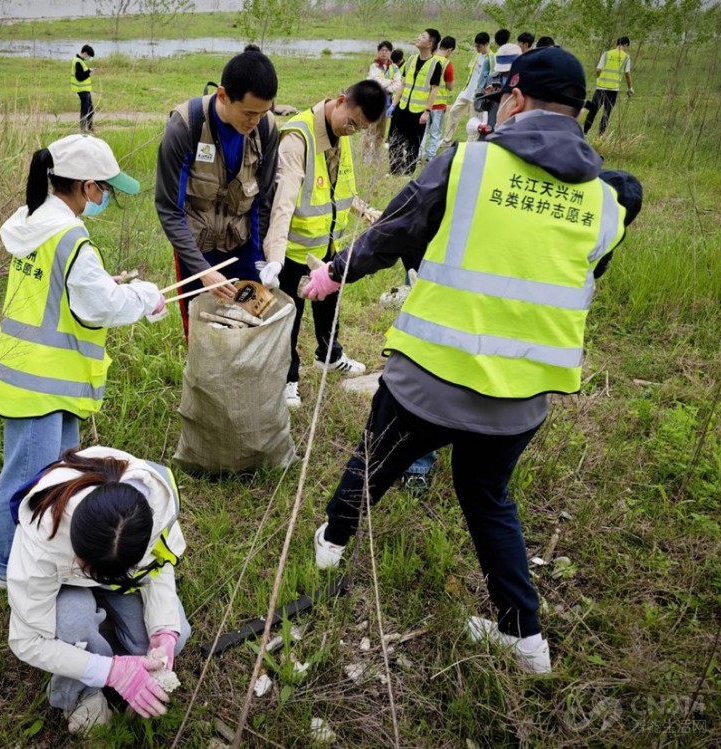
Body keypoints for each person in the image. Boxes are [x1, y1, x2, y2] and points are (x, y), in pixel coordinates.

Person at [302, 47, 641, 674]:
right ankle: (526, 641)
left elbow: (394, 232)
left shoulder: (468, 162)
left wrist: (334, 273)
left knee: (375, 462)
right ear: (578, 112)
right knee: (487, 499)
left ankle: (329, 546)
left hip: (428, 381)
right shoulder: (603, 204)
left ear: (512, 99)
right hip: (518, 402)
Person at [0, 135, 165, 589]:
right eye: (105, 189)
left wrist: (106, 283)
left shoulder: (34, 221)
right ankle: (6, 570)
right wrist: (143, 296)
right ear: (86, 186)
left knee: (60, 472)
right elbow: (98, 305)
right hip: (42, 381)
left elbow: (66, 291)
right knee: (29, 481)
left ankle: (43, 553)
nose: (106, 199)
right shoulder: (70, 234)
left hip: (36, 376)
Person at [7, 447, 190, 734]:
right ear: (78, 555)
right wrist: (109, 672)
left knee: (175, 638)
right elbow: (27, 641)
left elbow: (160, 565)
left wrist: (163, 632)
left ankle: (116, 657)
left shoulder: (155, 506)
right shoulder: (42, 533)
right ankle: (81, 693)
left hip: (121, 580)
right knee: (72, 620)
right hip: (65, 591)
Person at [260, 81, 385, 408]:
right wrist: (274, 257)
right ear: (341, 101)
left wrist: (366, 211)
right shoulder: (297, 138)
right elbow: (284, 204)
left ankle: (330, 355)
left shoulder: (338, 134)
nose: (352, 131)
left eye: (360, 129)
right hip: (293, 251)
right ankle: (288, 377)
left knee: (329, 304)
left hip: (327, 246)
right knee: (290, 317)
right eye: (352, 123)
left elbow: (335, 190)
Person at [155, 48, 279, 335]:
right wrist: (203, 271)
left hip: (244, 246)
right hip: (197, 250)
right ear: (223, 95)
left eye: (263, 113)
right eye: (249, 113)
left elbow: (263, 200)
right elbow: (170, 209)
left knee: (254, 324)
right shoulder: (185, 127)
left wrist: (261, 258)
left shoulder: (266, 129)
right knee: (204, 331)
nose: (255, 121)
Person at [387, 28, 443, 174]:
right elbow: (404, 84)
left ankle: (408, 172)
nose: (418, 38)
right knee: (395, 140)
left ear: (430, 44)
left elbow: (434, 90)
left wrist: (427, 112)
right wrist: (393, 105)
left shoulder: (435, 64)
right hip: (402, 107)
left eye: (422, 36)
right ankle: (394, 170)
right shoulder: (411, 59)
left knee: (413, 143)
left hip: (418, 111)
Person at [439, 32, 491, 148]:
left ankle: (470, 144)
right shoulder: (476, 55)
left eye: (479, 46)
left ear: (486, 44)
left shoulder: (491, 58)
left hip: (477, 95)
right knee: (453, 112)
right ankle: (447, 140)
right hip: (467, 91)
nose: (477, 49)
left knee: (473, 120)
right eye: (476, 46)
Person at [583, 36, 634, 136]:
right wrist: (630, 88)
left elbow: (598, 70)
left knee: (593, 110)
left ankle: (584, 132)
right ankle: (600, 136)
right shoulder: (626, 57)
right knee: (606, 113)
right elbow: (627, 74)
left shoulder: (606, 54)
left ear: (617, 44)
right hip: (613, 90)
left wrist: (599, 78)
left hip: (600, 88)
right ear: (625, 45)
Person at [364, 41, 402, 163]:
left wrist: (388, 84)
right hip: (373, 102)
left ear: (391, 52)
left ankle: (376, 153)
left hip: (386, 103)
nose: (384, 53)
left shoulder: (394, 67)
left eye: (386, 50)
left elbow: (398, 84)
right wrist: (390, 82)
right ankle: (366, 155)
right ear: (378, 52)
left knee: (381, 131)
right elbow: (376, 82)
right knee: (370, 129)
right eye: (381, 50)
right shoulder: (374, 66)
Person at [420, 36, 456, 160]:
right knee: (435, 132)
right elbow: (450, 86)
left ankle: (419, 155)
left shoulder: (428, 59)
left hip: (424, 102)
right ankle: (431, 156)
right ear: (450, 50)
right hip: (438, 104)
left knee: (423, 130)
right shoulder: (447, 64)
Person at [70, 44, 96, 133]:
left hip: (85, 90)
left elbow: (80, 74)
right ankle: (83, 128)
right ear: (85, 53)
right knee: (85, 109)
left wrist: (88, 70)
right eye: (89, 56)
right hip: (82, 90)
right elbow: (80, 77)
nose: (89, 58)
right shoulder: (78, 62)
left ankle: (89, 126)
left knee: (90, 109)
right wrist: (89, 71)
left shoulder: (79, 60)